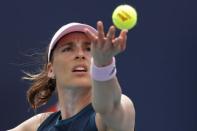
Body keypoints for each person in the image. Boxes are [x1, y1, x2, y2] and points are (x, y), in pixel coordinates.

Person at [8, 21, 135, 131]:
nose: (80, 54)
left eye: (89, 49)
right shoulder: (38, 125)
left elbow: (108, 107)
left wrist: (103, 65)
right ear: (50, 69)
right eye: (68, 49)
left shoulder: (122, 106)